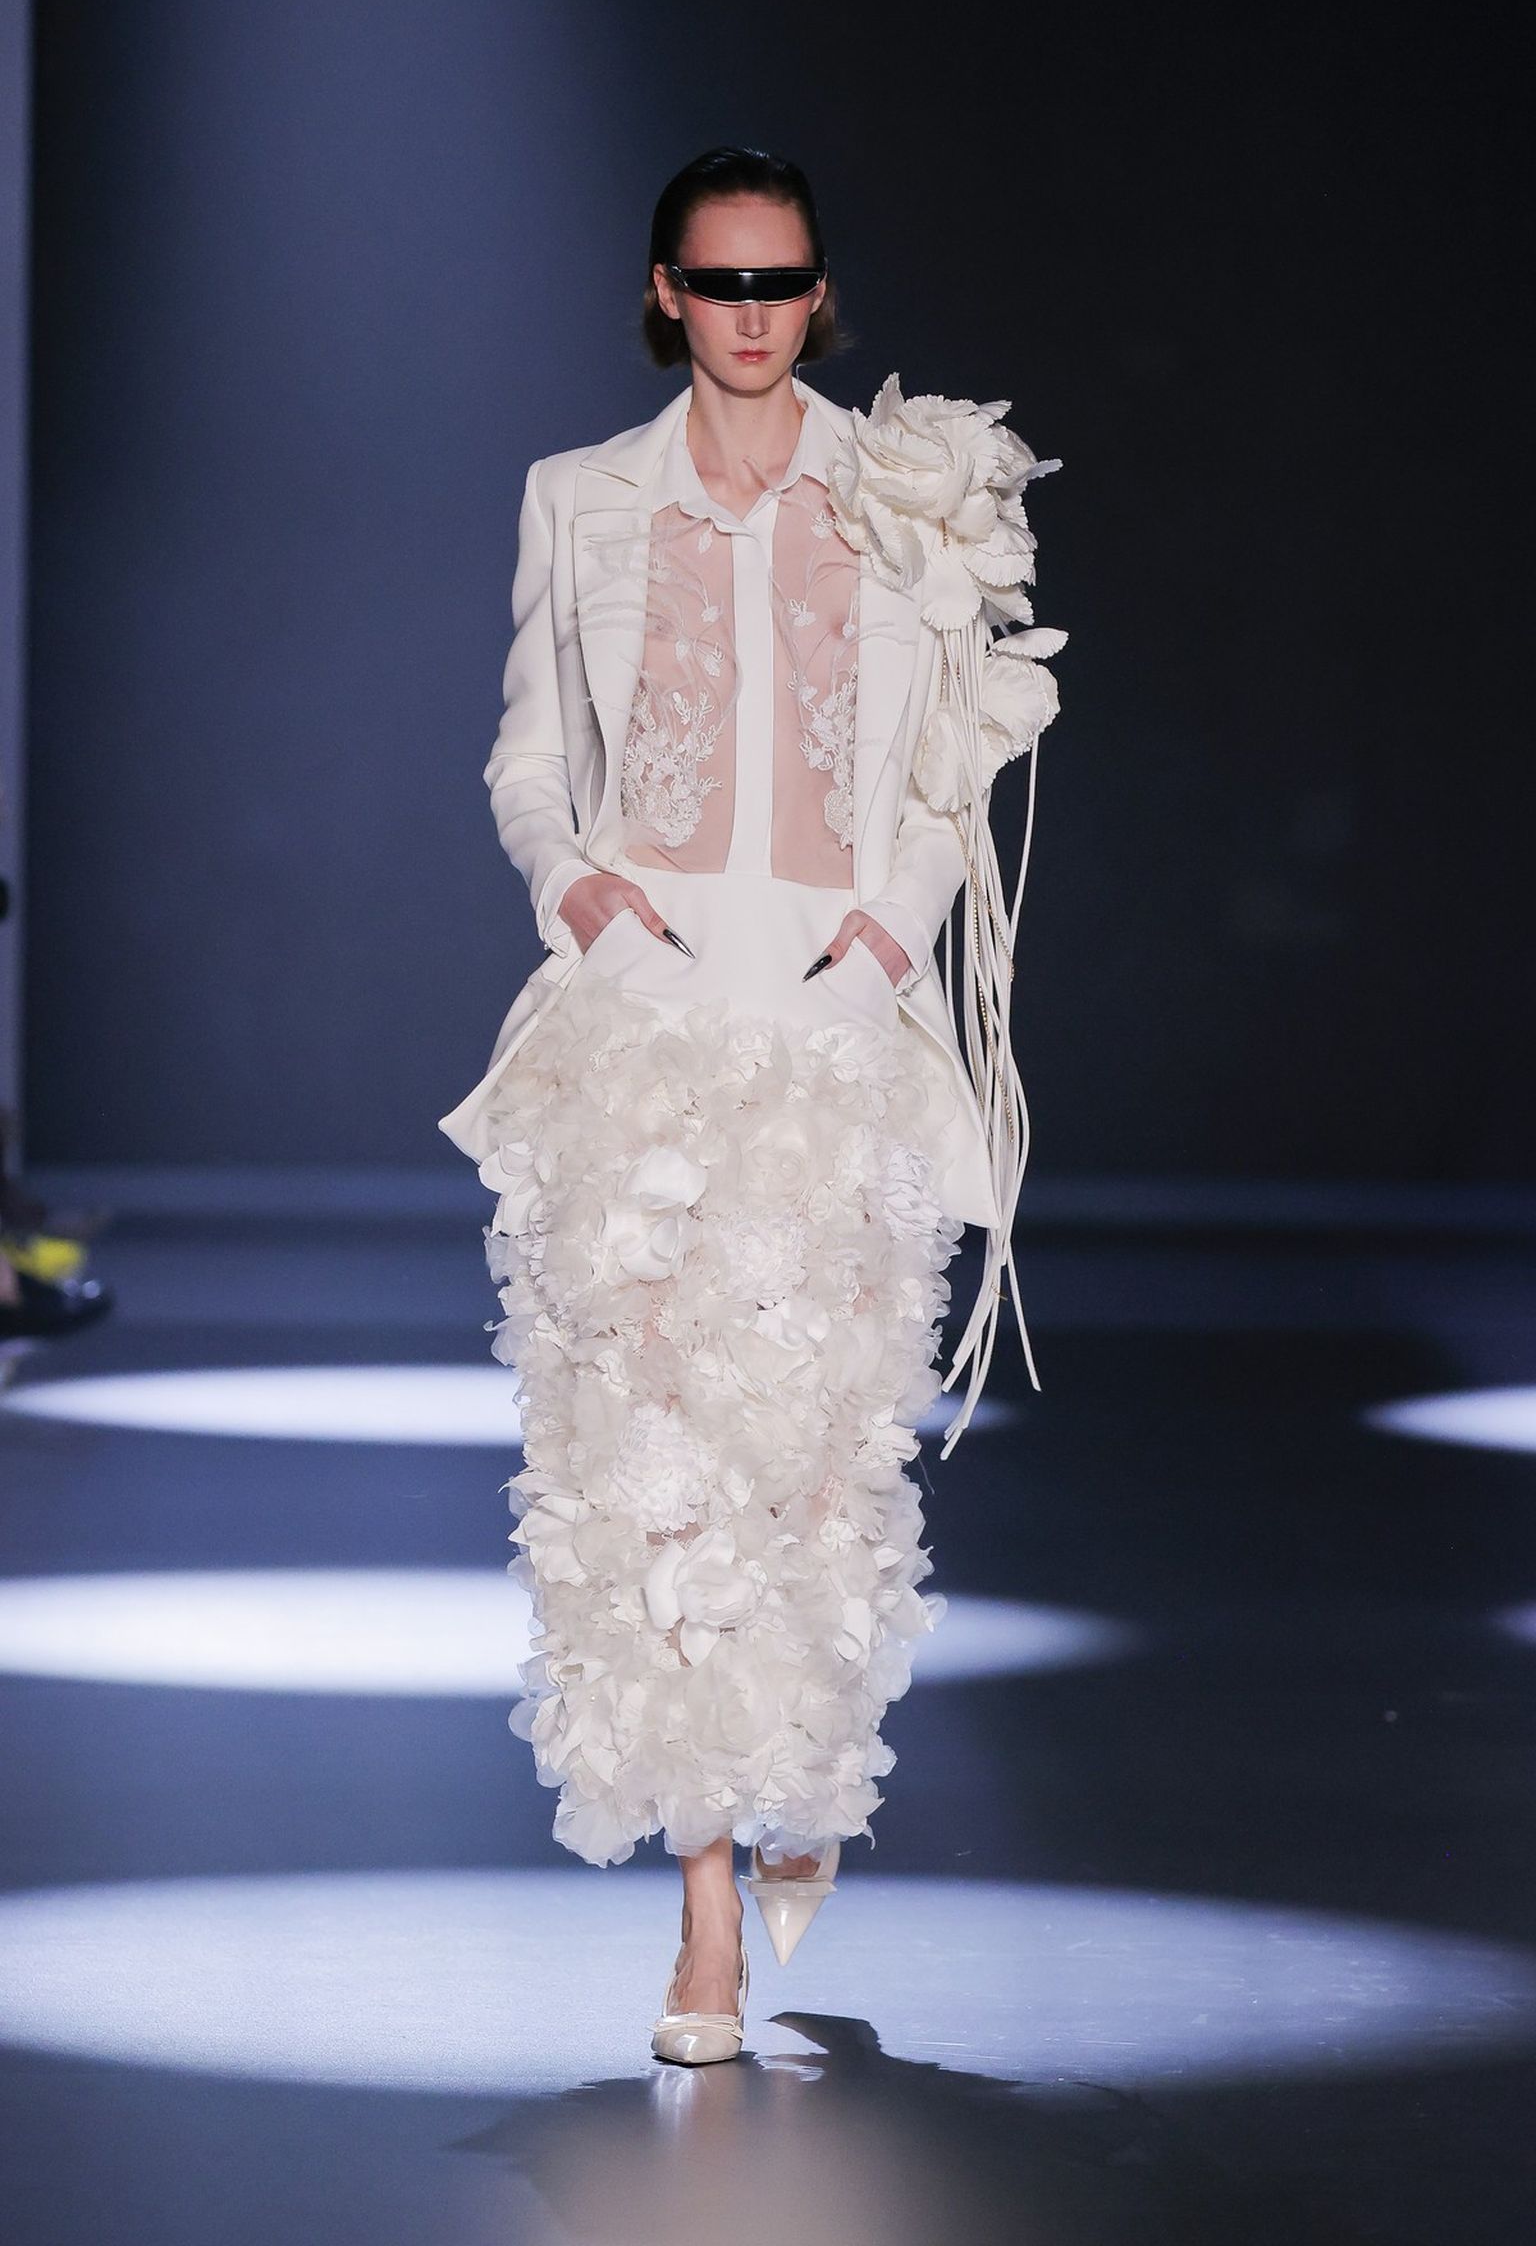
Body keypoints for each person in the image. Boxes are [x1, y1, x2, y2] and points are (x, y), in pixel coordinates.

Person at [438, 146, 1063, 2065]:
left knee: (810, 1461)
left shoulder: (904, 496)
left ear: (817, 292)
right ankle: (705, 1919)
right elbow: (529, 754)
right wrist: (578, 893)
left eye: (781, 282)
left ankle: (800, 1780)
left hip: (831, 1012)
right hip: (641, 1013)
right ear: (665, 293)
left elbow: (954, 766)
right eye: (719, 283)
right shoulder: (578, 499)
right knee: (651, 1465)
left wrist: (887, 938)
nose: (752, 315)